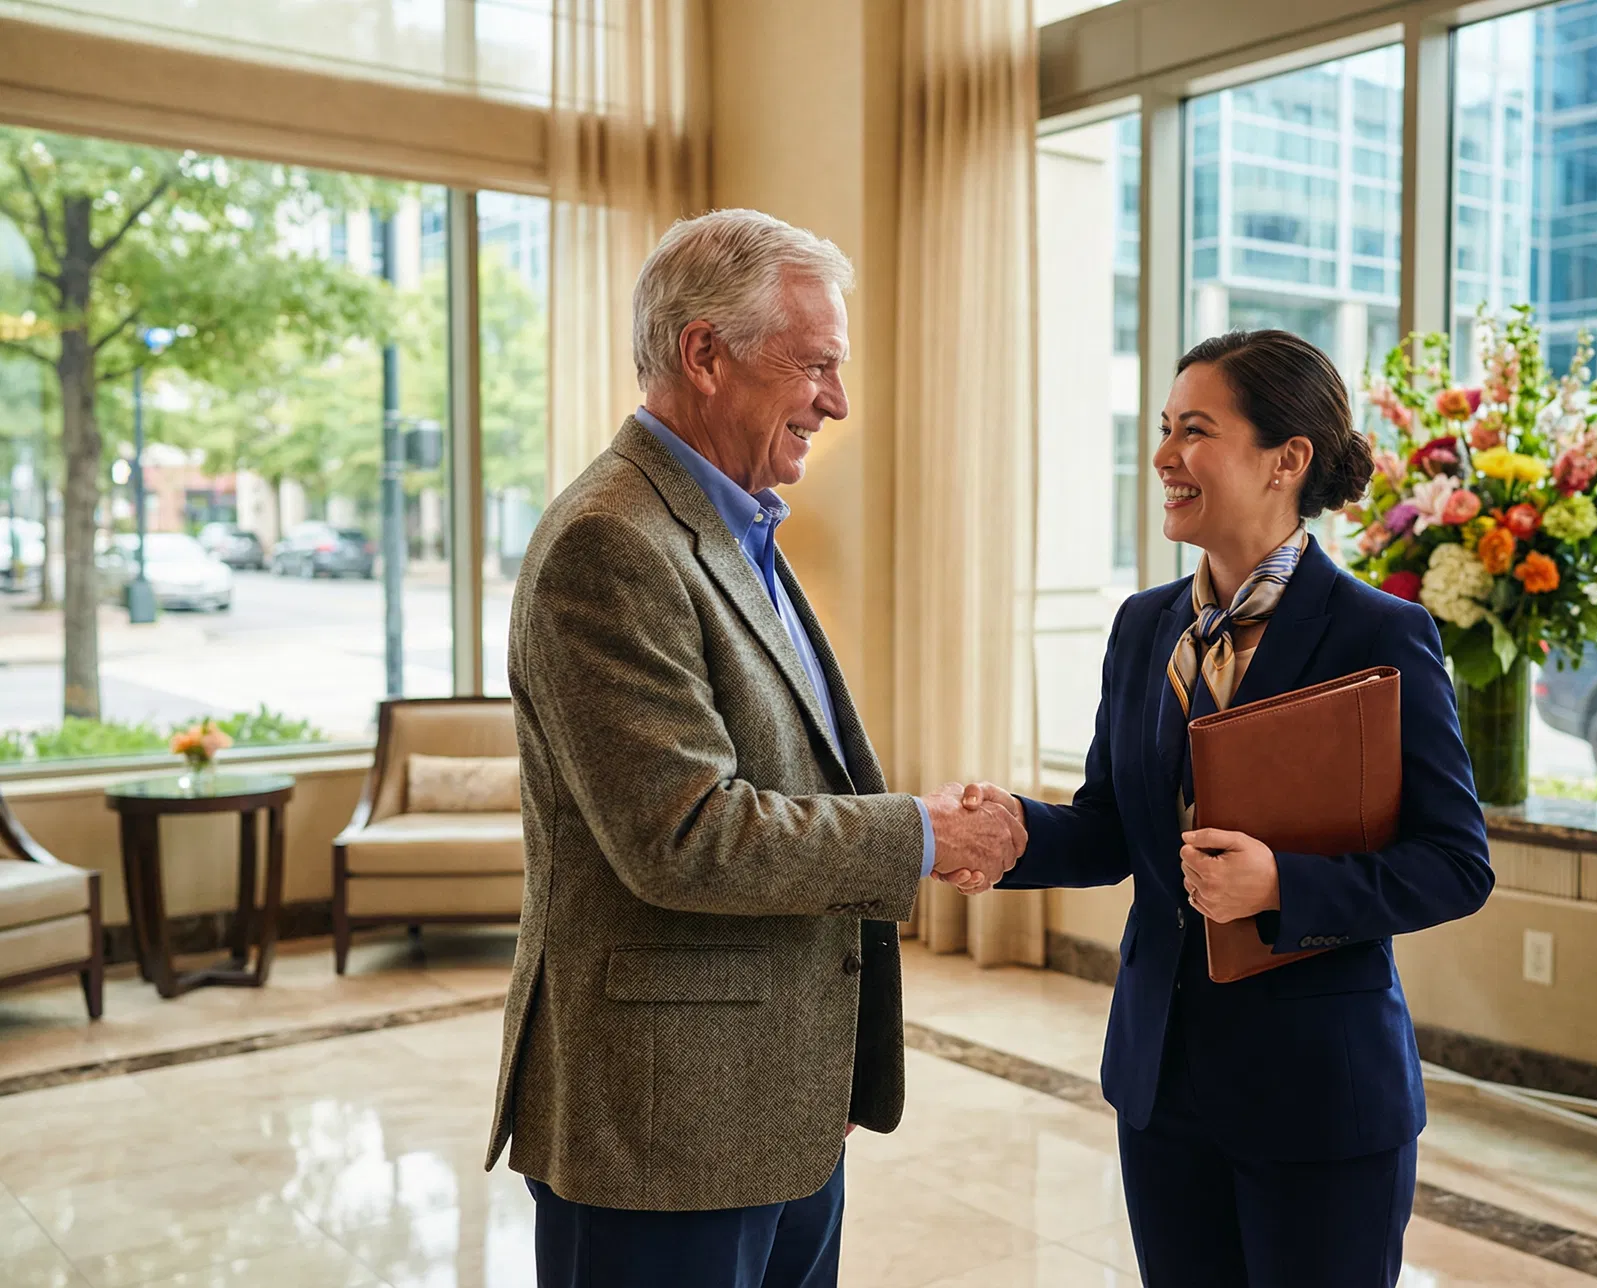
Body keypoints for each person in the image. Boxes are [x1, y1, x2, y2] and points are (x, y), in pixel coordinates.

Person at [487, 208, 1019, 1288]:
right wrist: (924, 832)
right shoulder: (611, 541)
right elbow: (687, 833)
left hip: (770, 1105)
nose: (837, 398)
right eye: (815, 363)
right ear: (704, 355)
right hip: (664, 1128)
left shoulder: (734, 524)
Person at [966, 330, 1495, 1286]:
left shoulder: (1382, 633)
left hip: (1320, 1099)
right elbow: (1108, 826)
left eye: (1194, 431)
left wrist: (1279, 885)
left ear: (1287, 459)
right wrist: (1007, 829)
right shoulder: (1141, 628)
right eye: (1165, 429)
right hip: (1160, 1088)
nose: (1163, 456)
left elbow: (1457, 863)